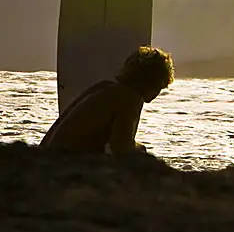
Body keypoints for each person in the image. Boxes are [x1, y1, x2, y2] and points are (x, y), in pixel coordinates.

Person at [39, 45, 175, 155]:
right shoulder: (130, 98)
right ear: (153, 81)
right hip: (62, 162)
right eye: (161, 86)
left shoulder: (104, 87)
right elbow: (121, 147)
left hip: (44, 157)